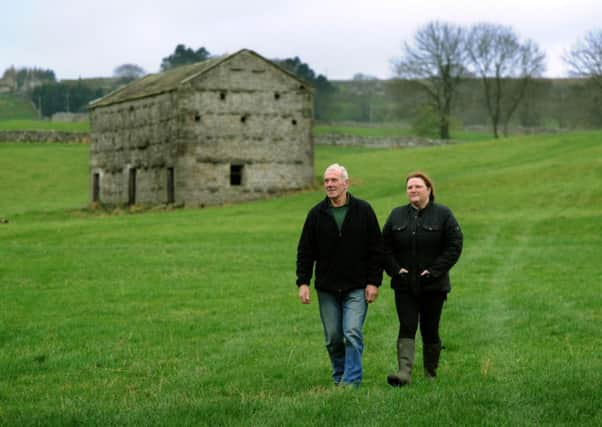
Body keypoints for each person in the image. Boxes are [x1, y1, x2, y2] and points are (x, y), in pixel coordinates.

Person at [296, 163, 383, 387]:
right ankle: (339, 376)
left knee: (352, 332)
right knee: (334, 338)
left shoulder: (363, 210)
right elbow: (306, 250)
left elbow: (376, 249)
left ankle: (351, 382)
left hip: (356, 286)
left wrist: (374, 282)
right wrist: (303, 282)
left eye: (334, 180)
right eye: (326, 181)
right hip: (327, 288)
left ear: (346, 183)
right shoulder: (316, 214)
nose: (329, 185)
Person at [382, 171, 463, 387]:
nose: (413, 190)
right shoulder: (396, 215)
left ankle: (430, 374)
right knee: (406, 325)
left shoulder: (443, 214)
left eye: (418, 186)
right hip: (404, 285)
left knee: (430, 329)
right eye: (409, 187)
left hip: (434, 286)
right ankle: (404, 374)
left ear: (429, 189)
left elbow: (454, 246)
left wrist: (434, 271)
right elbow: (384, 247)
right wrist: (395, 270)